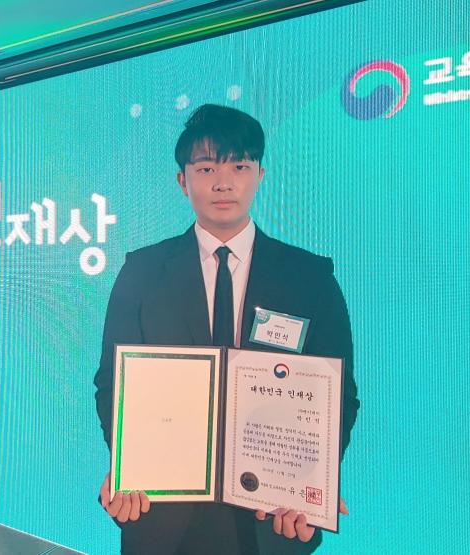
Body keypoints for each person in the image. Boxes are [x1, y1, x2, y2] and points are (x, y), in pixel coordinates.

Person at [93, 103, 360, 554]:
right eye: (206, 168)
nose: (223, 182)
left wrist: (312, 482)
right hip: (162, 513)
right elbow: (111, 384)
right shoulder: (141, 271)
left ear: (260, 175)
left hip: (271, 519)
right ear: (183, 180)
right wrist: (127, 464)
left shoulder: (309, 277)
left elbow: (339, 395)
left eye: (239, 166)